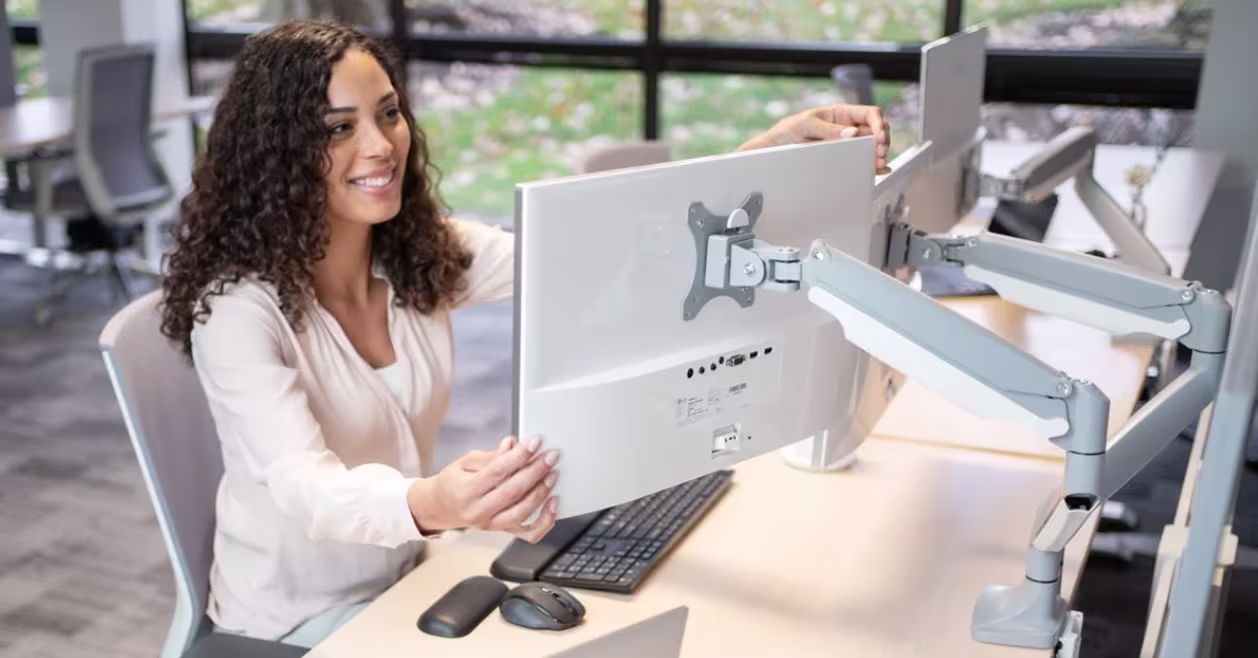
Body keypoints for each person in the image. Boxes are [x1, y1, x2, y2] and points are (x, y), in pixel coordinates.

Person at [158, 19, 890, 648]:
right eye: (339, 129)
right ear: (277, 154)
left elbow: (590, 252)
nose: (381, 146)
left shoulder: (416, 253)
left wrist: (763, 152)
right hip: (292, 627)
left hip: (409, 576)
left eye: (388, 114)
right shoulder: (236, 310)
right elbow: (305, 489)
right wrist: (434, 504)